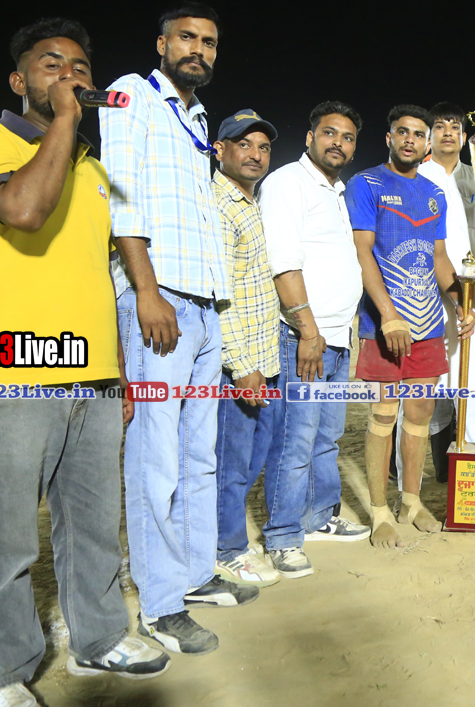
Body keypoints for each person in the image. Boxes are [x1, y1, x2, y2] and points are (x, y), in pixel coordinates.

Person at [0, 18, 168, 707]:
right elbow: (23, 210)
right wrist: (67, 119)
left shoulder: (92, 172)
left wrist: (119, 373)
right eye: (51, 64)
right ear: (19, 80)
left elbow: (97, 277)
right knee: (7, 539)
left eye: (79, 66)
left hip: (94, 377)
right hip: (15, 369)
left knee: (94, 526)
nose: (69, 75)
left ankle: (98, 639)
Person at [102, 2, 256, 658]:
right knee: (155, 458)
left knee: (199, 454)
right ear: (161, 43)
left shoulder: (197, 119)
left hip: (204, 304)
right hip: (160, 298)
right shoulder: (131, 94)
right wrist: (145, 290)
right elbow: (121, 194)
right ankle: (161, 605)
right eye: (187, 38)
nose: (199, 49)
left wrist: (213, 306)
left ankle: (194, 573)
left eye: (210, 42)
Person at [346, 105, 475, 548]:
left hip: (427, 323)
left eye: (419, 134)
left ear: (426, 144)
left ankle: (411, 501)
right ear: (389, 138)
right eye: (402, 132)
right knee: (383, 416)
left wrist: (459, 303)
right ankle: (380, 512)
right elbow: (363, 253)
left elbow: (439, 257)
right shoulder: (366, 184)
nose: (410, 140)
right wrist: (388, 314)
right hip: (385, 325)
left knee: (419, 415)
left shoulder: (433, 193)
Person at [255, 101, 371, 577]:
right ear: (309, 138)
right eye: (329, 133)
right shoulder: (288, 182)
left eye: (347, 137)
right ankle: (283, 536)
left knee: (327, 437)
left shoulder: (337, 191)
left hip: (337, 338)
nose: (337, 143)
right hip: (303, 337)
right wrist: (307, 330)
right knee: (294, 440)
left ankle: (319, 516)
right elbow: (283, 261)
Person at [208, 108, 286, 588]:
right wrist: (241, 367)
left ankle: (229, 539)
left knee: (252, 458)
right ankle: (227, 549)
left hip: (264, 356)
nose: (255, 154)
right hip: (239, 364)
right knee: (231, 463)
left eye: (263, 147)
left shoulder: (250, 203)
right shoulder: (219, 206)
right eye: (244, 144)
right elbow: (222, 296)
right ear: (220, 150)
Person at [413, 102, 475, 479]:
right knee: (427, 389)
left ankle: (468, 476)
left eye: (455, 126)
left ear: (464, 136)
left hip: (474, 299)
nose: (448, 132)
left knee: (470, 382)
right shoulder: (415, 177)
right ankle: (431, 472)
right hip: (424, 296)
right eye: (440, 126)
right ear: (429, 136)